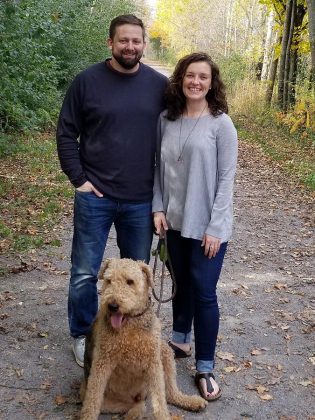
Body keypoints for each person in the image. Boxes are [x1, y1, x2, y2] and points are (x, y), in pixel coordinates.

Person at [56, 14, 168, 367]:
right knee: (86, 272)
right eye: (123, 40)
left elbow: (183, 125)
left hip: (140, 199)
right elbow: (65, 133)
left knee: (137, 276)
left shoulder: (159, 86)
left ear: (144, 44)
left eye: (136, 41)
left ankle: (130, 336)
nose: (130, 47)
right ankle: (84, 335)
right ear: (110, 42)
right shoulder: (86, 82)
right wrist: (79, 179)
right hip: (95, 198)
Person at [153, 52, 237, 401]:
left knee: (203, 290)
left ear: (211, 82)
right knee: (181, 283)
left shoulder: (221, 124)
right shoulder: (165, 119)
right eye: (190, 75)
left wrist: (216, 227)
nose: (196, 82)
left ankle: (205, 365)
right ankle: (180, 340)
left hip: (207, 228)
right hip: (173, 222)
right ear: (181, 78)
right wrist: (158, 207)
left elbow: (226, 179)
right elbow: (155, 167)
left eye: (203, 77)